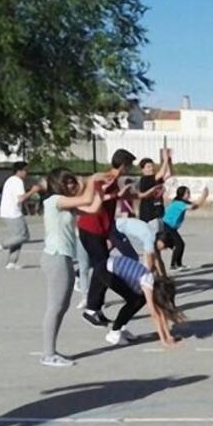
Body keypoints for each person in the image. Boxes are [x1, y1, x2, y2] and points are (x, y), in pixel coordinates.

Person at [39, 168, 108, 367]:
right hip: (56, 257)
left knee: (61, 306)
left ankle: (50, 352)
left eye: (71, 182)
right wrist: (92, 179)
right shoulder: (55, 201)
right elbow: (86, 200)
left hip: (63, 257)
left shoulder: (67, 204)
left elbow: (93, 207)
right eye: (67, 182)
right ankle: (48, 354)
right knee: (55, 306)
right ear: (56, 184)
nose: (71, 185)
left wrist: (100, 190)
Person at [78, 149, 137, 328]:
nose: (130, 169)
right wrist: (114, 194)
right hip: (90, 228)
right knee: (103, 268)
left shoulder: (113, 180)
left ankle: (95, 308)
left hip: (100, 229)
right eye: (129, 165)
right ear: (123, 164)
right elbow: (96, 196)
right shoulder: (106, 178)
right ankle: (91, 308)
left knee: (102, 268)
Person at [103, 245, 184, 346]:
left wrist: (169, 336)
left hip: (115, 266)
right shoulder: (148, 284)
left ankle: (120, 327)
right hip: (108, 270)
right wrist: (164, 341)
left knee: (139, 300)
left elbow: (161, 312)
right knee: (135, 301)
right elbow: (154, 314)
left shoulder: (155, 284)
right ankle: (115, 332)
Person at [0, 162, 42, 269]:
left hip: (8, 212)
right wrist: (33, 191)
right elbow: (21, 198)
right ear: (19, 170)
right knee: (23, 236)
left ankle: (12, 262)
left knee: (17, 237)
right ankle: (0, 245)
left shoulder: (11, 180)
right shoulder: (17, 181)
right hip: (12, 213)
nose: (27, 173)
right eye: (25, 170)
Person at [158, 184, 209, 270]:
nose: (189, 194)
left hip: (170, 227)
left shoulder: (180, 202)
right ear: (182, 194)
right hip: (167, 226)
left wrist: (203, 197)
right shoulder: (179, 203)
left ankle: (178, 264)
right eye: (187, 193)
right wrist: (204, 196)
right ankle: (173, 265)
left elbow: (195, 204)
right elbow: (194, 207)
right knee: (179, 244)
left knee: (178, 245)